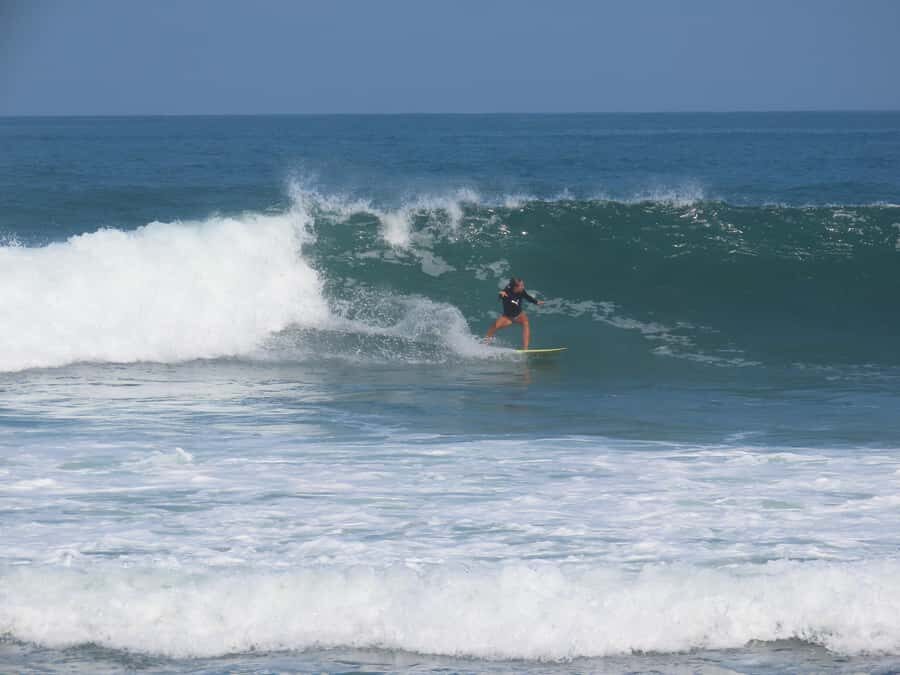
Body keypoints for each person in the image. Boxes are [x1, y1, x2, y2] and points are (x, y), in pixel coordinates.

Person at [484, 277, 543, 349]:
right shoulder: (507, 292)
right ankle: (484, 344)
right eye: (521, 285)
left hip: (519, 315)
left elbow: (527, 297)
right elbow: (501, 293)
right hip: (507, 317)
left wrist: (536, 302)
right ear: (515, 287)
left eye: (523, 285)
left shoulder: (521, 291)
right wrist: (501, 294)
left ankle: (525, 349)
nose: (523, 287)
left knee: (526, 323)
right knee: (494, 326)